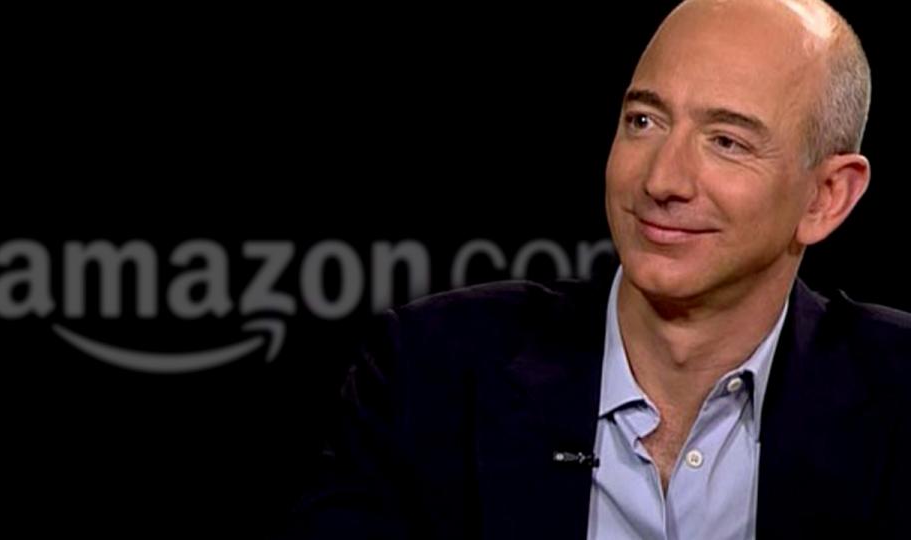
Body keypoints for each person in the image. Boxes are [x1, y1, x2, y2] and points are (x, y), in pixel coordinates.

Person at [285, 1, 910, 538]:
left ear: (826, 196)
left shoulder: (899, 390)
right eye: (644, 121)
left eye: (727, 141)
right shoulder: (429, 372)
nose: (662, 180)